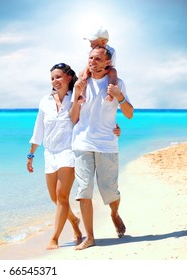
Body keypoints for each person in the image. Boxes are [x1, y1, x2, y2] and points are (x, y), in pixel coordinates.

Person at [26, 63, 121, 250]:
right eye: (52, 78)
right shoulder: (45, 101)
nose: (55, 81)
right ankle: (74, 222)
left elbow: (95, 116)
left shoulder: (77, 96)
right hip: (49, 153)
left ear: (69, 77)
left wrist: (114, 128)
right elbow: (39, 129)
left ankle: (54, 238)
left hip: (69, 151)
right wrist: (31, 153)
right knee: (55, 198)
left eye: (59, 77)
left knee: (62, 196)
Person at [70, 46, 134, 250]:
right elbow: (73, 119)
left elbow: (130, 114)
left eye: (97, 59)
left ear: (108, 62)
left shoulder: (117, 83)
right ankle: (90, 237)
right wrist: (78, 95)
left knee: (109, 191)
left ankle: (114, 214)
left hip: (107, 144)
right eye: (90, 58)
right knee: (83, 190)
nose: (92, 62)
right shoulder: (81, 83)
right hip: (81, 143)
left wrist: (119, 96)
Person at [79, 27, 118, 103]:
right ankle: (82, 95)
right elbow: (89, 64)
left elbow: (111, 66)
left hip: (106, 69)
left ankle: (110, 93)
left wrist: (102, 71)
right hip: (93, 68)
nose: (90, 45)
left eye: (93, 43)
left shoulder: (111, 51)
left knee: (113, 71)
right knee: (82, 74)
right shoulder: (92, 51)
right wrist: (86, 73)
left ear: (103, 42)